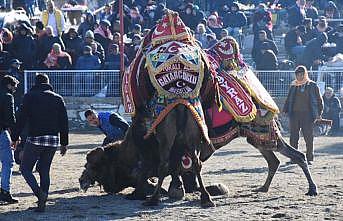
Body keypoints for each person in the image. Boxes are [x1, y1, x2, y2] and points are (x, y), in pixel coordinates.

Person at [11, 74, 69, 212]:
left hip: (35, 138)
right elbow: (64, 122)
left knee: (25, 169)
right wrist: (64, 143)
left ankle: (39, 194)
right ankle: (41, 203)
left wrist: (14, 137)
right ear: (48, 83)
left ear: (36, 83)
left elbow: (21, 119)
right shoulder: (57, 98)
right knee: (44, 170)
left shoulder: (29, 97)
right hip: (53, 140)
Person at [283, 66, 323, 165]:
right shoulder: (293, 85)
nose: (299, 76)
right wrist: (285, 110)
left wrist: (319, 113)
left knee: (308, 137)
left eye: (301, 74)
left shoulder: (312, 85)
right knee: (293, 137)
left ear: (305, 74)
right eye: (297, 74)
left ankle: (309, 158)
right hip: (295, 115)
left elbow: (319, 100)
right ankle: (294, 158)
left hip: (308, 115)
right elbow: (289, 99)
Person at [0, 75, 19, 204]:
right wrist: (15, 136)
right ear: (9, 85)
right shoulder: (7, 96)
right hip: (1, 131)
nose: (15, 89)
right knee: (8, 162)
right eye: (14, 86)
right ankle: (5, 191)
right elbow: (11, 118)